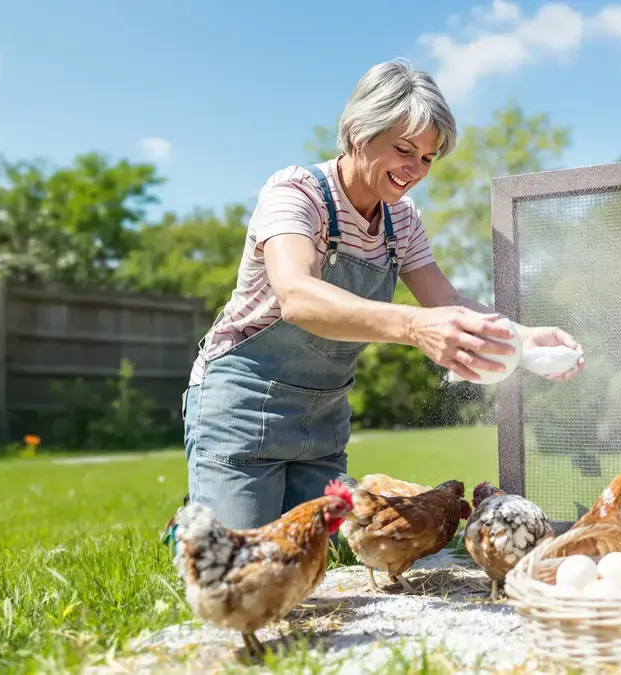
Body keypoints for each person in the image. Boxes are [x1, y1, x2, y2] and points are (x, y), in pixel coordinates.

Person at [181, 59, 584, 531]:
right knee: (240, 567)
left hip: (324, 418)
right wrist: (413, 327)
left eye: (429, 158)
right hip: (243, 408)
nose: (415, 170)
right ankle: (193, 516)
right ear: (357, 133)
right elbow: (298, 296)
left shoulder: (402, 220)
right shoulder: (296, 194)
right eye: (404, 150)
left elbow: (446, 302)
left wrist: (525, 336)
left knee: (333, 557)